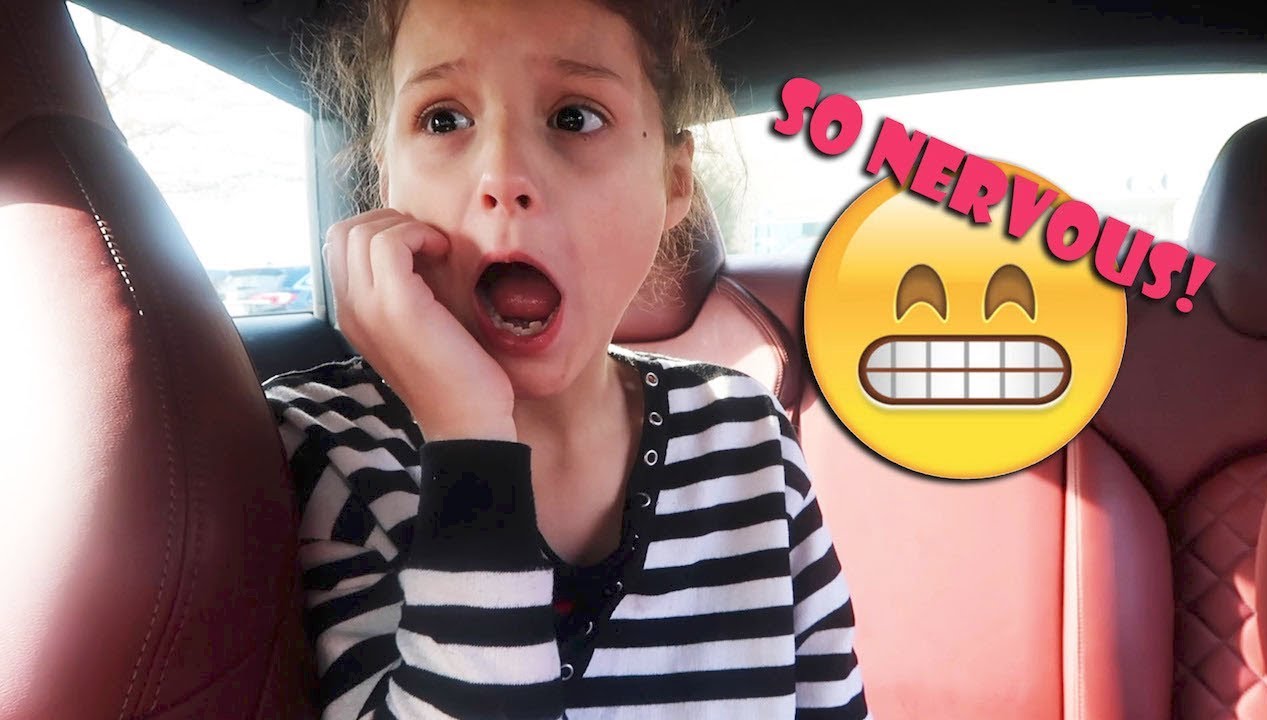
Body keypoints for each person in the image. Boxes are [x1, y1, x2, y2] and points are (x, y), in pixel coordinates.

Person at [262, 0, 869, 717]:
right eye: (444, 120)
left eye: (575, 117)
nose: (503, 176)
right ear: (386, 179)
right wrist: (468, 439)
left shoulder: (749, 439)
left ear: (674, 181)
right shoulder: (321, 451)